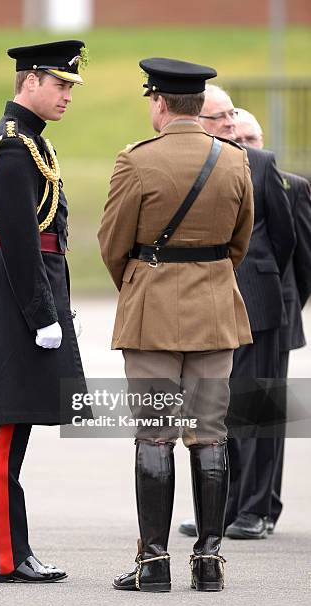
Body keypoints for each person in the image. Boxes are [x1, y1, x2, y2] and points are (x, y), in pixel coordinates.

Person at [98, 58, 254, 592]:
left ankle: (155, 563)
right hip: (214, 309)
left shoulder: (136, 160)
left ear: (160, 103)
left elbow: (112, 243)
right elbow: (240, 241)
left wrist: (142, 283)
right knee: (210, 434)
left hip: (153, 314)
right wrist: (207, 277)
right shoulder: (234, 161)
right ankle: (209, 561)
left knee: (155, 435)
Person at [0, 41, 88, 583]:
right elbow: (17, 241)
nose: (67, 95)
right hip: (17, 303)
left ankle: (15, 550)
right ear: (31, 81)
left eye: (69, 87)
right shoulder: (13, 147)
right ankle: (6, 558)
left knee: (15, 433)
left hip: (28, 294)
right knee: (5, 432)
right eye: (60, 84)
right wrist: (41, 317)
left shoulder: (32, 142)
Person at [178, 85, 296, 540]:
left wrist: (261, 283)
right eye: (220, 117)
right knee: (215, 414)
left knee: (259, 412)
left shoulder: (262, 166)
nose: (230, 123)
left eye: (232, 115)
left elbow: (285, 241)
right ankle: (220, 510)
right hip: (209, 307)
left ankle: (255, 511)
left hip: (259, 306)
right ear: (199, 121)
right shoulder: (193, 162)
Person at [235, 108, 311, 530]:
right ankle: (234, 503)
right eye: (237, 137)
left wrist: (287, 308)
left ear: (262, 142)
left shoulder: (291, 186)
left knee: (262, 413)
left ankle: (260, 507)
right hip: (234, 311)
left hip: (274, 314)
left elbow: (300, 259)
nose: (244, 144)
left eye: (251, 138)